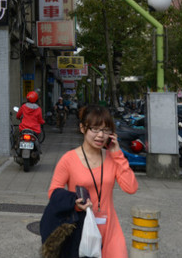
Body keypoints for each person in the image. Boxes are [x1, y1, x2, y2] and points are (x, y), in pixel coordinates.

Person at [48, 105, 138, 258]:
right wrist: (74, 203)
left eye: (106, 130)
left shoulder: (112, 158)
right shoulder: (69, 159)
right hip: (80, 227)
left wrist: (117, 154)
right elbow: (53, 192)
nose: (100, 135)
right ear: (83, 128)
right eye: (95, 129)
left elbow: (131, 187)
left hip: (110, 228)